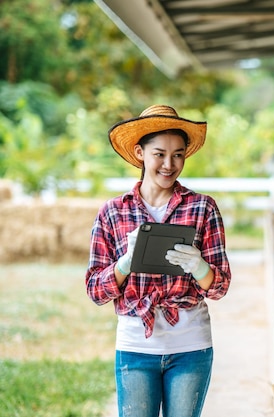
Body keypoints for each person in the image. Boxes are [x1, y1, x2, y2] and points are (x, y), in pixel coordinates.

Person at [85, 104, 231, 417]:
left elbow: (219, 287)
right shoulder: (113, 212)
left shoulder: (202, 208)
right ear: (140, 153)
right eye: (159, 153)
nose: (169, 164)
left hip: (191, 346)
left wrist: (200, 267)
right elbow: (95, 291)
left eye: (178, 154)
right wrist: (125, 263)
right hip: (135, 347)